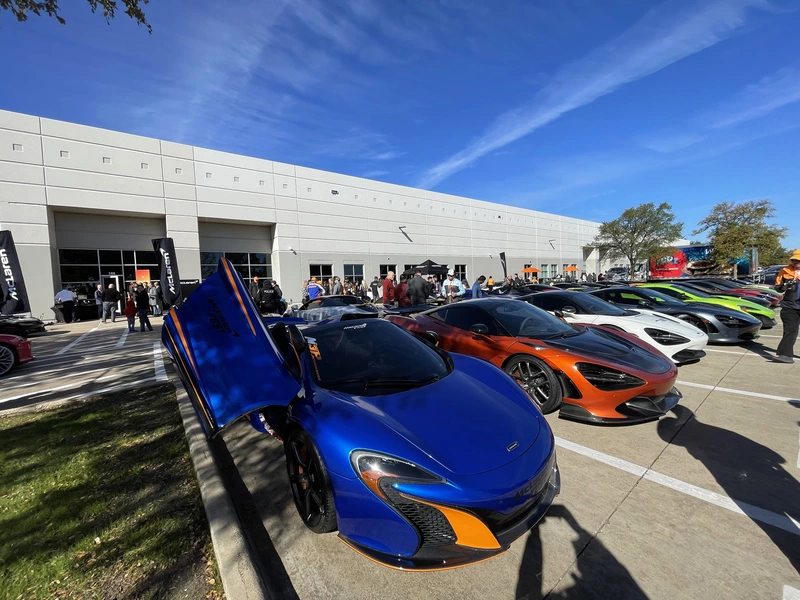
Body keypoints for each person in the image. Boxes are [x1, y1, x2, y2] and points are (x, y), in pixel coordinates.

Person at [773, 250, 800, 364]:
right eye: (794, 260)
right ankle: (785, 355)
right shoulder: (784, 271)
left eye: (798, 260)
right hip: (790, 306)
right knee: (790, 331)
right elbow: (777, 287)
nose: (795, 262)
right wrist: (783, 287)